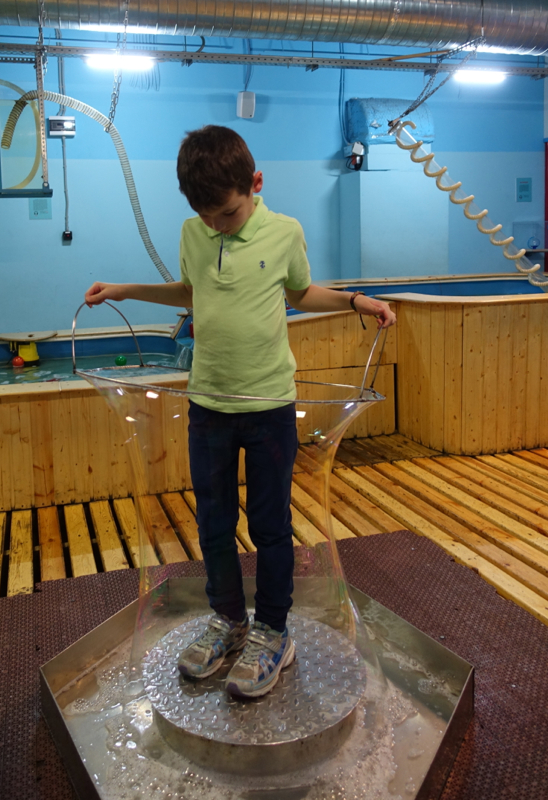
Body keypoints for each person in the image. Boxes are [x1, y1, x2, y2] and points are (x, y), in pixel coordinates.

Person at [84, 125, 396, 699]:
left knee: (269, 524)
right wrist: (125, 290)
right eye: (207, 217)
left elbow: (300, 294)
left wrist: (356, 299)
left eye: (226, 213)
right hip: (208, 405)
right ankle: (229, 620)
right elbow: (191, 290)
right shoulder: (193, 232)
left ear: (254, 184)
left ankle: (273, 631)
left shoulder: (285, 232)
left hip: (269, 405)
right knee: (213, 521)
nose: (217, 225)